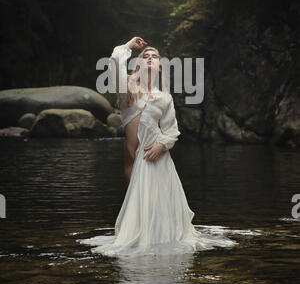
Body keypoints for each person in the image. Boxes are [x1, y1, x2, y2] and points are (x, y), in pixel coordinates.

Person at [77, 37, 237, 257]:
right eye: (146, 56)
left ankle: (163, 237)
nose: (150, 58)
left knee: (161, 205)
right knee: (140, 207)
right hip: (138, 159)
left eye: (155, 57)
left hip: (159, 157)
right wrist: (130, 46)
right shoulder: (127, 89)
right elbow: (114, 61)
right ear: (138, 64)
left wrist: (161, 146)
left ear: (160, 65)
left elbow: (172, 130)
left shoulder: (165, 97)